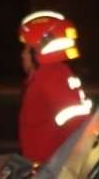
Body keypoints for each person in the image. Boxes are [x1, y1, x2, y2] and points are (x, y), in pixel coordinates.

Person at [16, 10, 93, 162]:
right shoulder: (52, 74)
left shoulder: (51, 76)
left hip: (50, 167)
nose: (23, 55)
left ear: (39, 50)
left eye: (26, 48)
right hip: (48, 164)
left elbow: (75, 125)